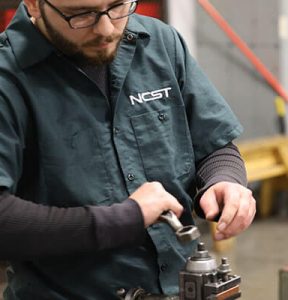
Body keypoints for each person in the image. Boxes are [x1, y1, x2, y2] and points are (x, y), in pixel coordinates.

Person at [0, 0, 256, 299]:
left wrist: (225, 179)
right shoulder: (8, 78)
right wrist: (125, 219)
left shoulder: (160, 43)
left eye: (118, 5)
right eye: (81, 14)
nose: (106, 29)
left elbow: (214, 145)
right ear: (33, 4)